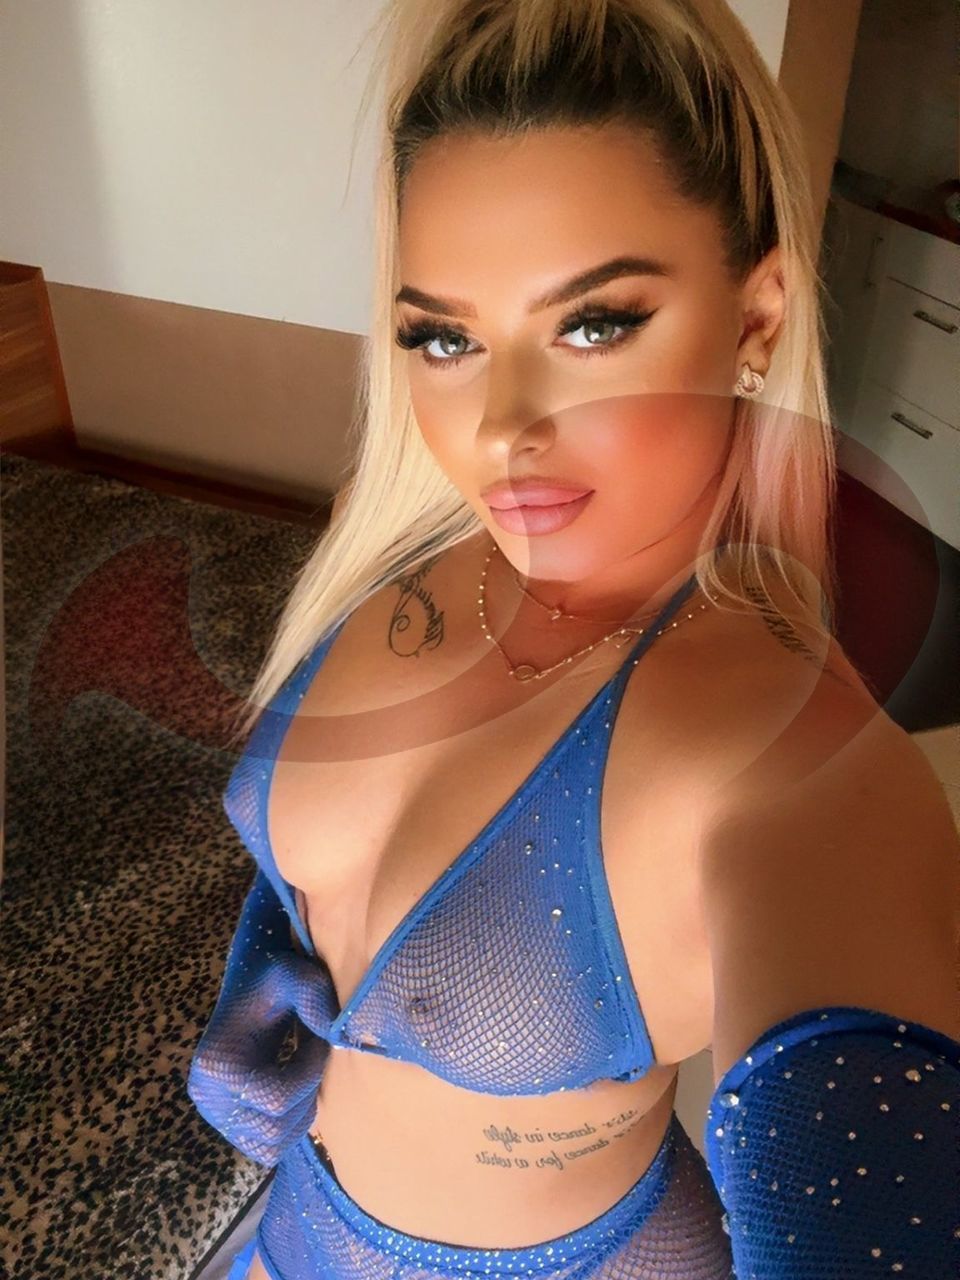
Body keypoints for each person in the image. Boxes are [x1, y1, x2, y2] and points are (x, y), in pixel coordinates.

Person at [187, 1, 960, 1277]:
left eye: (594, 325)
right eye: (444, 337)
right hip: (295, 1227)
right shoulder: (403, 551)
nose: (503, 427)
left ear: (757, 316)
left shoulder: (794, 769)